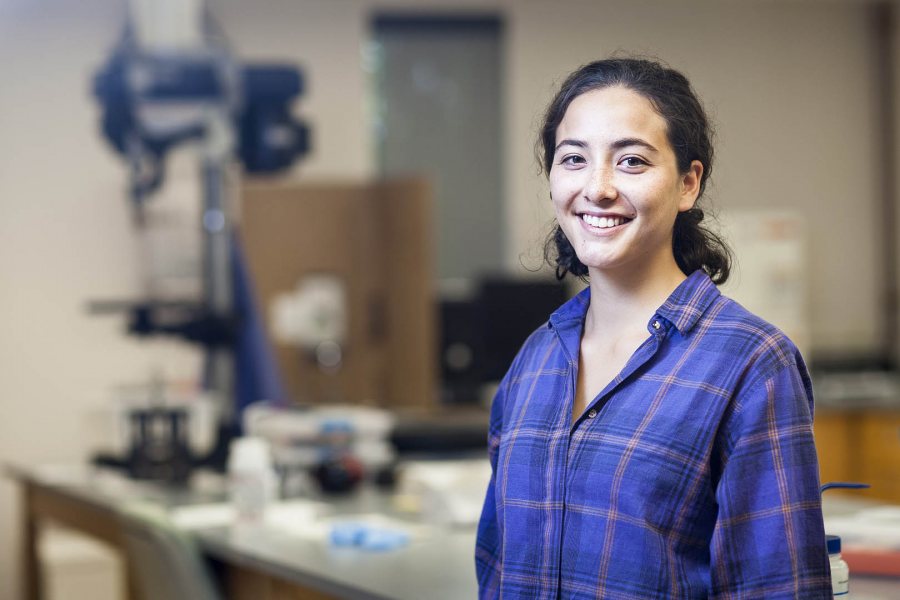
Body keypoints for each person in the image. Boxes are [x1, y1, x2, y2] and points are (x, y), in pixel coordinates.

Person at [475, 58, 831, 599]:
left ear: (688, 184)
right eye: (573, 159)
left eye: (632, 162)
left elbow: (778, 589)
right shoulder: (536, 359)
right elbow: (497, 568)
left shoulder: (752, 363)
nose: (597, 188)